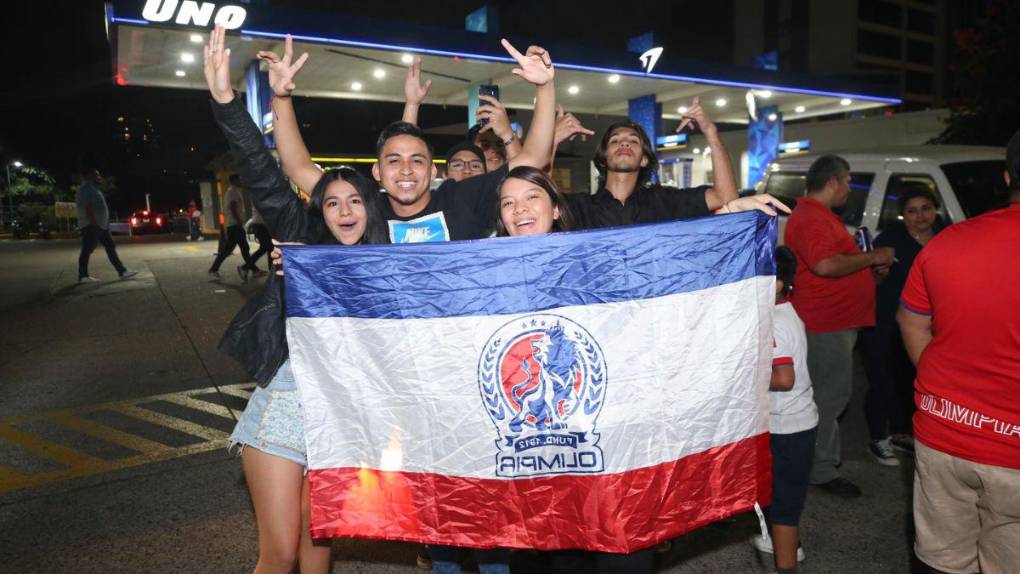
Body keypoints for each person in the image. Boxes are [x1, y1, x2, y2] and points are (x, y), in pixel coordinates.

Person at [204, 25, 389, 574]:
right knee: (280, 554)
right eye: (332, 202)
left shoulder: (392, 266)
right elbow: (263, 173)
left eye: (356, 200)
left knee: (318, 551)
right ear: (321, 212)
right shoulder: (301, 241)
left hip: (343, 422)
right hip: (284, 410)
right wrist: (226, 102)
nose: (345, 210)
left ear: (370, 209)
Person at [263, 34, 557, 245]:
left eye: (417, 161)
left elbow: (533, 159)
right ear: (377, 172)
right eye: (393, 161)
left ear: (432, 172)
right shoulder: (365, 207)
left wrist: (544, 87)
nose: (405, 170)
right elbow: (298, 166)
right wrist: (282, 96)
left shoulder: (462, 197)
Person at [896, 130, 1020, 574]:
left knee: (941, 562)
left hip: (942, 434)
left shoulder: (947, 243)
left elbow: (911, 319)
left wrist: (940, 385)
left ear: (1008, 176)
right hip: (1013, 458)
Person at [782, 154, 895, 499]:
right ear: (832, 181)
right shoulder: (813, 219)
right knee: (828, 398)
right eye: (846, 180)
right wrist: (873, 257)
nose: (849, 187)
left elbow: (836, 266)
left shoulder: (819, 217)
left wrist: (867, 273)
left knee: (827, 397)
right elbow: (826, 265)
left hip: (834, 322)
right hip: (825, 324)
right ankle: (819, 469)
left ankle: (816, 464)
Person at [568, 97, 740, 229]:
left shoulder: (664, 203)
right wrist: (552, 142)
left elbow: (725, 197)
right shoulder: (580, 208)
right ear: (603, 159)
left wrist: (710, 131)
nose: (624, 143)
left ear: (644, 159)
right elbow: (543, 207)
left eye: (634, 141)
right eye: (615, 141)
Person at [861, 184, 941, 465]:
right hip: (888, 321)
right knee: (882, 379)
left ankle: (901, 432)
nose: (920, 217)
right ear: (903, 215)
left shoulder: (945, 237)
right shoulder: (890, 239)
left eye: (926, 209)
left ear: (935, 210)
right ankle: (877, 438)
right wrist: (879, 272)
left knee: (914, 379)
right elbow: (873, 281)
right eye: (912, 211)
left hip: (929, 324)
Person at [751, 246, 817, 574]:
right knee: (785, 496)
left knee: (783, 509)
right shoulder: (788, 311)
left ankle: (786, 563)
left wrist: (745, 379)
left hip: (785, 427)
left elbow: (784, 378)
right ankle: (792, 546)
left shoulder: (773, 322)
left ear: (777, 284)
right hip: (799, 421)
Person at [75, 167, 136, 282]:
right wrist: (94, 224)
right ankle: (83, 275)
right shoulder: (86, 189)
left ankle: (122, 271)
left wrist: (103, 223)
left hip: (101, 226)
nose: (99, 177)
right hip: (92, 226)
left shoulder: (93, 189)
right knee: (87, 249)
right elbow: (87, 208)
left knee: (110, 246)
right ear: (89, 176)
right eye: (96, 175)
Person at [208, 173, 257, 279]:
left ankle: (253, 269)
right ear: (234, 181)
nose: (241, 181)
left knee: (241, 248)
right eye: (239, 179)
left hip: (234, 224)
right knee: (233, 249)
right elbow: (232, 207)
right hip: (234, 225)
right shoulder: (233, 191)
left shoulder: (234, 191)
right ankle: (214, 269)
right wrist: (239, 220)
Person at [247, 206, 273, 275]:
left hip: (259, 223)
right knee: (269, 247)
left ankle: (246, 267)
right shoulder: (260, 196)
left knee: (265, 247)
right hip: (261, 223)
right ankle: (272, 271)